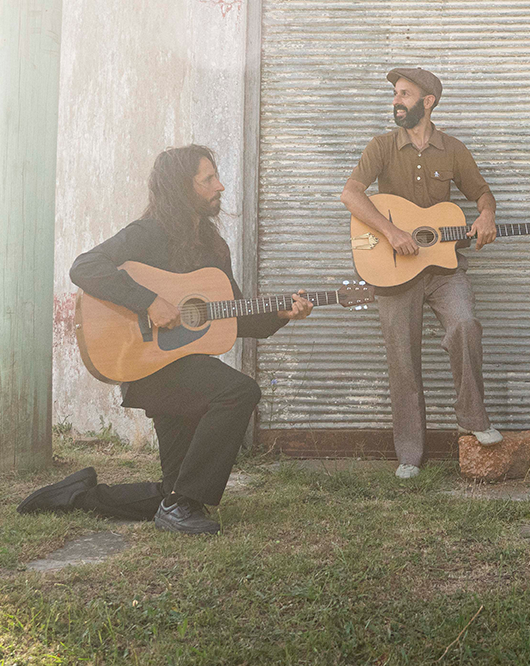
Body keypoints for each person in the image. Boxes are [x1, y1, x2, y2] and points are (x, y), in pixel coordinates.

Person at [17, 144, 312, 534]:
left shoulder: (213, 246)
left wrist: (280, 315)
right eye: (207, 179)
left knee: (172, 490)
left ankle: (80, 495)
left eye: (215, 176)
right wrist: (149, 300)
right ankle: (183, 506)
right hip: (147, 368)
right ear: (180, 187)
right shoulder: (148, 233)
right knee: (238, 391)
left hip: (180, 367)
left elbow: (234, 317)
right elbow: (85, 266)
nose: (219, 186)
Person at [340, 67, 502, 479]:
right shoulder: (381, 146)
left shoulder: (452, 149)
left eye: (405, 94)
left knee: (465, 326)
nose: (396, 101)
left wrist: (486, 214)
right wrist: (391, 231)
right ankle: (409, 454)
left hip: (444, 268)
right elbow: (351, 193)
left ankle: (472, 417)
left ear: (427, 102)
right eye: (395, 93)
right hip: (393, 273)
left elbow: (481, 192)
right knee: (403, 360)